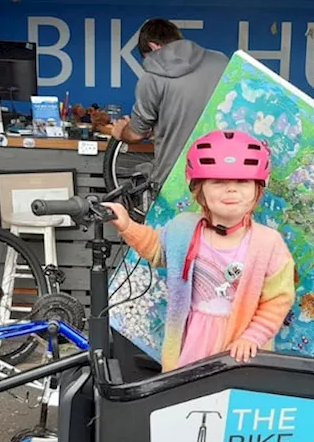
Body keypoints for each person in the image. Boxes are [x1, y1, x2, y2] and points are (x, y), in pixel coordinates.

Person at [104, 130, 295, 372]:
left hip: (241, 349)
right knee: (187, 399)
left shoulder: (269, 244)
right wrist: (127, 226)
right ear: (199, 188)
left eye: (242, 182)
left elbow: (277, 300)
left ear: (258, 188)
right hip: (191, 342)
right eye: (218, 182)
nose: (231, 190)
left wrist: (252, 337)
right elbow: (157, 250)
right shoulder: (183, 228)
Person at [112, 18, 230, 188]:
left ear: (153, 47)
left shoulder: (152, 78)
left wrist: (121, 132)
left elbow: (137, 134)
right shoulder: (221, 61)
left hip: (174, 179)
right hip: (223, 172)